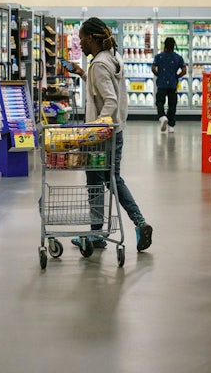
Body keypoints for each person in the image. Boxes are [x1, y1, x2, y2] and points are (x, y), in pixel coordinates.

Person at [66, 17, 153, 252]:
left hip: (100, 136)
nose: (80, 44)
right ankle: (139, 222)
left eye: (82, 39)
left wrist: (96, 129)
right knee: (113, 179)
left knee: (95, 182)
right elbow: (104, 89)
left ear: (92, 38)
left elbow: (110, 100)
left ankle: (96, 234)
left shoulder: (99, 64)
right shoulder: (112, 58)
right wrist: (83, 73)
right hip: (116, 132)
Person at [151, 37, 187, 133]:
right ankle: (171, 126)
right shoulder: (178, 57)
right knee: (172, 104)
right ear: (174, 46)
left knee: (160, 102)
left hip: (161, 84)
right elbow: (184, 70)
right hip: (172, 84)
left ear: (165, 45)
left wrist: (158, 75)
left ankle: (162, 117)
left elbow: (153, 68)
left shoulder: (159, 57)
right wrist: (177, 76)